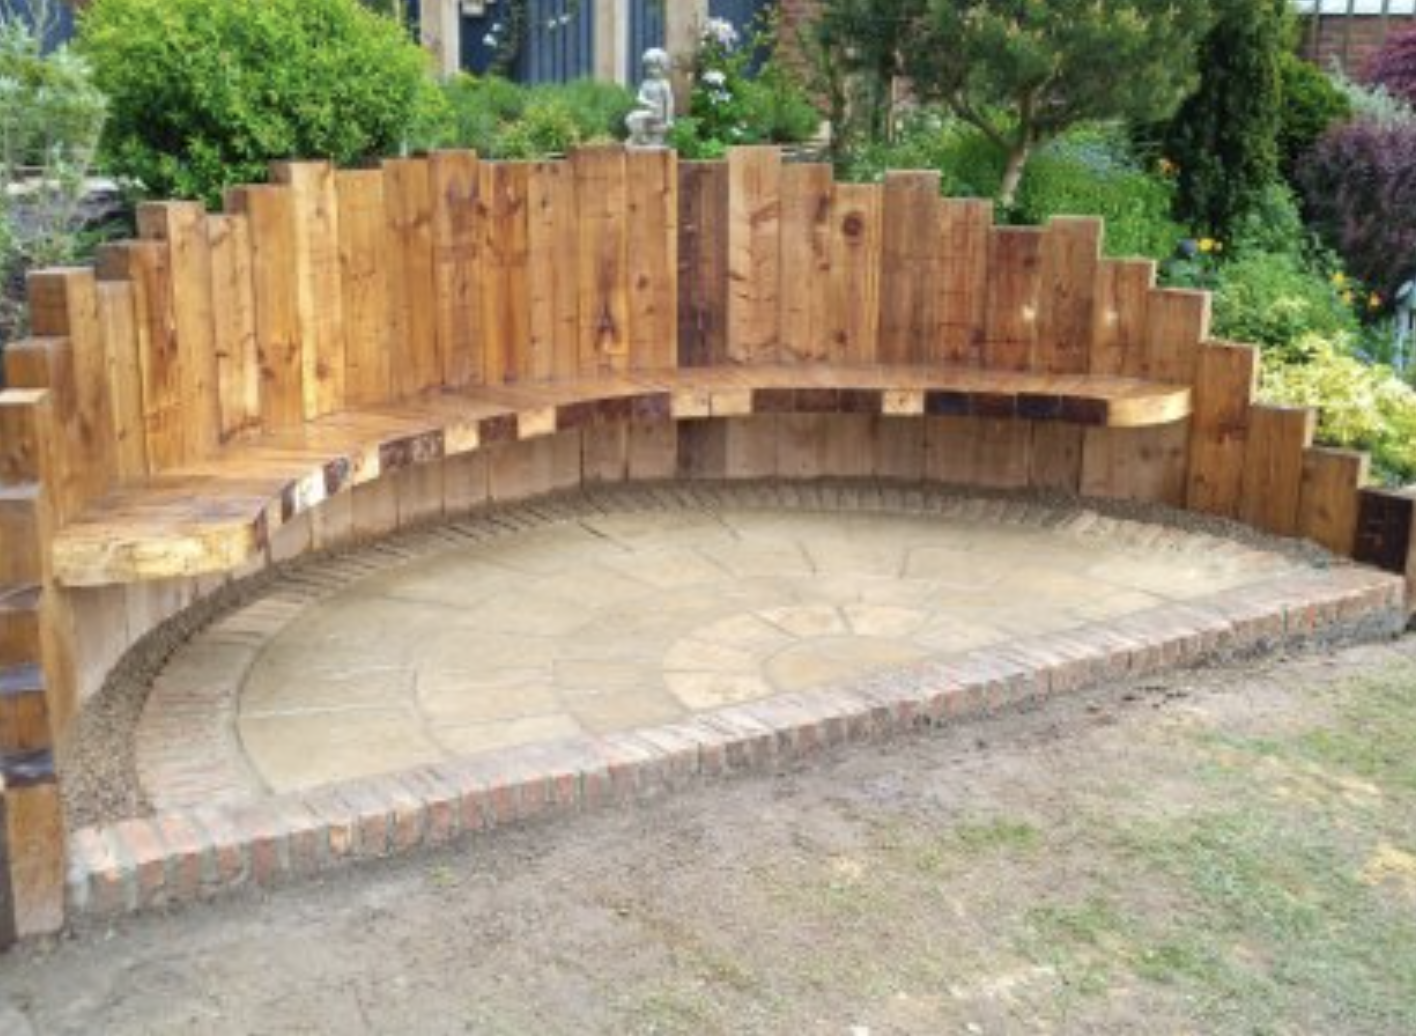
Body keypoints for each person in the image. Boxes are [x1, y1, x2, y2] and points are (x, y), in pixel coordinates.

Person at [626, 48, 674, 148]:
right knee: (630, 118)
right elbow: (639, 98)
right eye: (648, 67)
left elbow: (669, 102)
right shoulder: (646, 83)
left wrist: (669, 120)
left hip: (658, 114)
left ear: (663, 67)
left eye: (654, 67)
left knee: (634, 118)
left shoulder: (664, 84)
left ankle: (641, 139)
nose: (651, 70)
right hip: (648, 112)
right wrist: (648, 103)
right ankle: (641, 138)